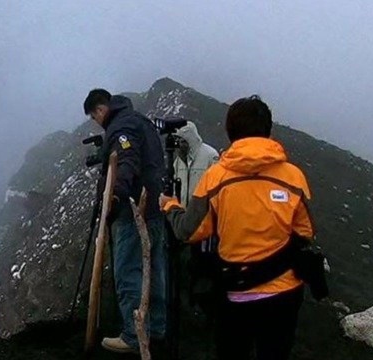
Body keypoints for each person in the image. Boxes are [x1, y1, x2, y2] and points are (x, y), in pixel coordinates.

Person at [160, 95, 315, 360]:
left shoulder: (215, 177)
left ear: (230, 131)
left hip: (237, 294)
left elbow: (188, 231)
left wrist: (170, 205)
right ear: (268, 130)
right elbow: (305, 233)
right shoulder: (294, 176)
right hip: (285, 293)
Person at [83, 89, 167, 354]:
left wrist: (116, 197)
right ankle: (156, 327)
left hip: (132, 211)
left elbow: (126, 160)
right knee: (153, 269)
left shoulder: (121, 127)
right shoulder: (141, 121)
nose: (97, 122)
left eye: (94, 117)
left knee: (129, 271)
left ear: (99, 109)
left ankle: (133, 336)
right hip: (155, 206)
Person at [173, 122, 220, 318]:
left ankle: (205, 305)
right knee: (186, 264)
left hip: (206, 221)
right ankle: (188, 302)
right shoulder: (177, 162)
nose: (179, 145)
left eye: (182, 141)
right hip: (185, 219)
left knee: (205, 264)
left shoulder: (210, 155)